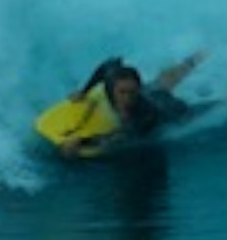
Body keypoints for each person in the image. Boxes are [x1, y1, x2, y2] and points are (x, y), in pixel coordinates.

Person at [32, 50, 208, 159]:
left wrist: (82, 141)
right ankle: (192, 61)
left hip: (166, 110)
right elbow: (109, 64)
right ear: (111, 88)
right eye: (122, 93)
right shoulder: (110, 84)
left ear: (137, 90)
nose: (127, 98)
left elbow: (119, 136)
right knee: (159, 83)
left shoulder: (144, 115)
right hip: (147, 93)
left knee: (170, 98)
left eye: (131, 92)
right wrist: (84, 91)